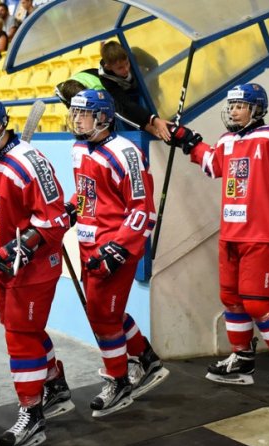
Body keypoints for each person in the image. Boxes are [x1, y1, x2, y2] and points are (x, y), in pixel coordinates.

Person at [166, 83, 269, 401]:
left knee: (257, 303)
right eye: (232, 105)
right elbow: (212, 164)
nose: (233, 110)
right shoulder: (227, 141)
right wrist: (188, 140)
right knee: (231, 299)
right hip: (231, 235)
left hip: (261, 235)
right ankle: (242, 358)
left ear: (256, 109)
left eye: (240, 105)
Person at [0, 95, 73, 446]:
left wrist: (23, 245)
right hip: (4, 263)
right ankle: (54, 384)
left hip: (34, 267)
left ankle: (31, 412)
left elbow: (56, 218)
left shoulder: (31, 162)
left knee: (20, 338)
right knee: (22, 329)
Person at [66, 89, 169, 417]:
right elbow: (85, 195)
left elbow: (143, 209)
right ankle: (147, 360)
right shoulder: (79, 148)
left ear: (103, 117)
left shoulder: (125, 152)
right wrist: (66, 212)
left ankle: (118, 380)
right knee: (103, 314)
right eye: (75, 113)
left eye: (83, 114)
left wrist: (118, 247)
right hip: (88, 245)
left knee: (103, 318)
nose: (77, 120)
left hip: (116, 248)